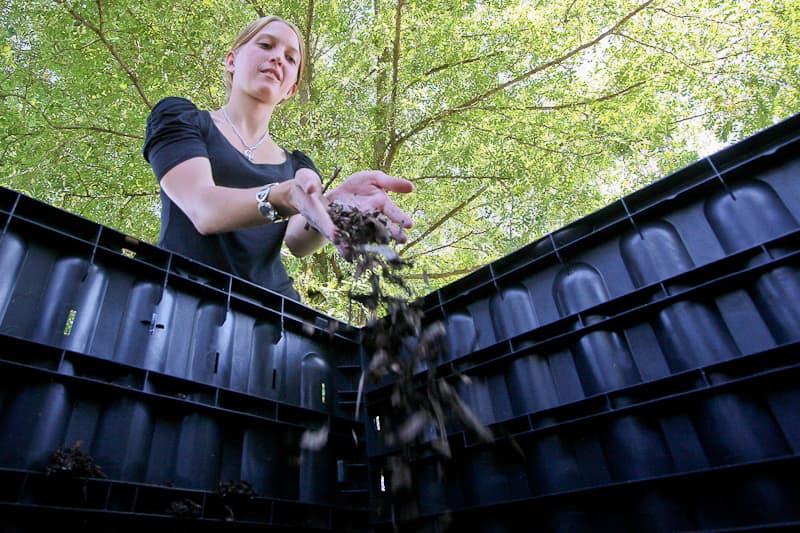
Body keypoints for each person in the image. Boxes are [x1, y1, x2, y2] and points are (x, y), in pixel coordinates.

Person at [142, 15, 413, 300]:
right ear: (232, 61)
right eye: (266, 44)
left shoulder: (298, 167)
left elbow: (298, 243)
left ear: (291, 90)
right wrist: (280, 196)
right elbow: (203, 209)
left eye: (290, 58)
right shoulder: (181, 119)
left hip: (271, 316)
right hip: (179, 302)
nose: (277, 59)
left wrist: (333, 206)